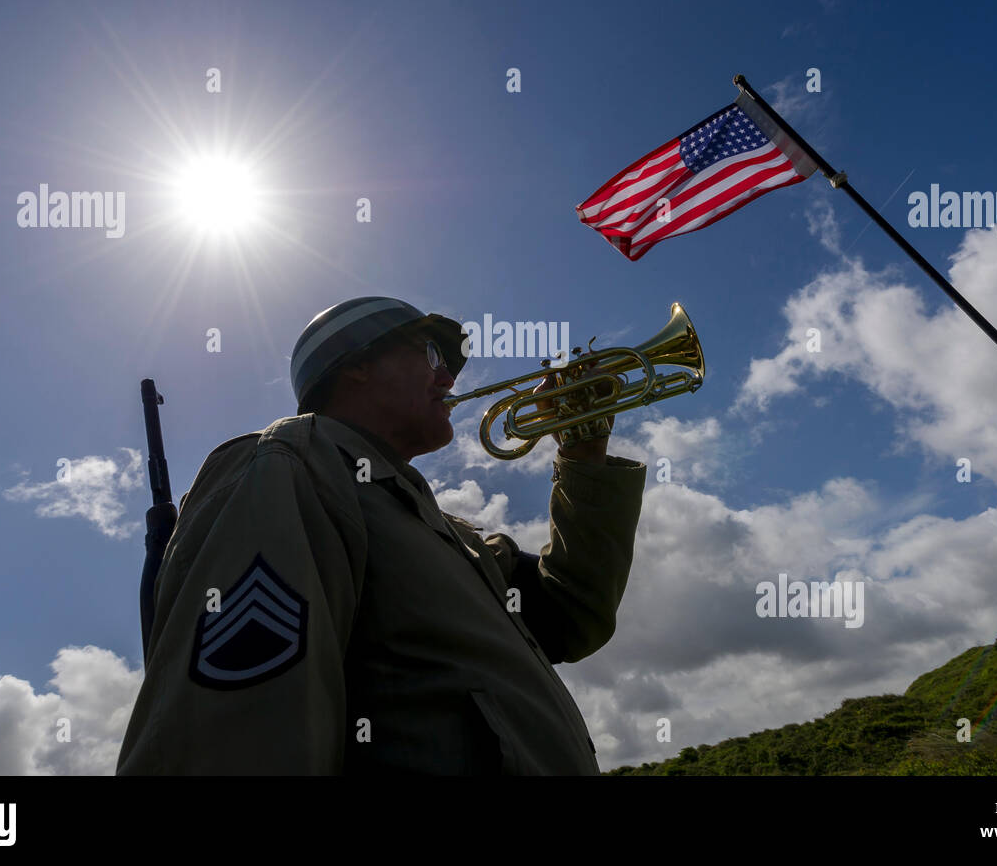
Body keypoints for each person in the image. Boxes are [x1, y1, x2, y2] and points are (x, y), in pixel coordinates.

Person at [116, 296, 646, 774]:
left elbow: (574, 615)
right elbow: (233, 727)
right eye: (431, 356)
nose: (448, 379)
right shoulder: (290, 462)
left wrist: (581, 452)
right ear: (357, 366)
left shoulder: (451, 534)